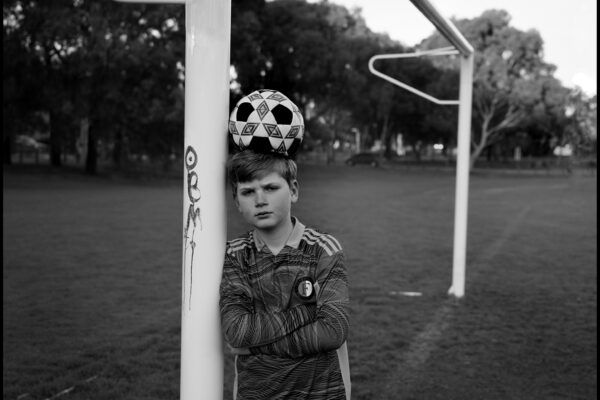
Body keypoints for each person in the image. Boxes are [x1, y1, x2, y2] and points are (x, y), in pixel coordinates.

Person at [220, 149, 351, 399]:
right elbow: (237, 331)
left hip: (321, 392)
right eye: (248, 192)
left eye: (270, 188)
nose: (260, 199)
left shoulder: (323, 249)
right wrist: (310, 312)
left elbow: (333, 331)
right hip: (256, 393)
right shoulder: (234, 255)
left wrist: (254, 345)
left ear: (293, 190)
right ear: (237, 202)